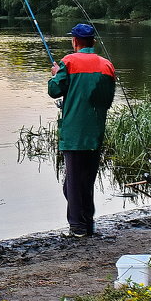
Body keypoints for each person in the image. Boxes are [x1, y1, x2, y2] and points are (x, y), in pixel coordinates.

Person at [47, 23, 115, 237]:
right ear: (93, 42)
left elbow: (54, 90)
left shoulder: (68, 61)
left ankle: (77, 227)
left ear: (75, 41)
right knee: (85, 181)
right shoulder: (107, 66)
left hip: (74, 133)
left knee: (74, 184)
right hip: (95, 132)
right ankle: (87, 223)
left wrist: (55, 74)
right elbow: (107, 100)